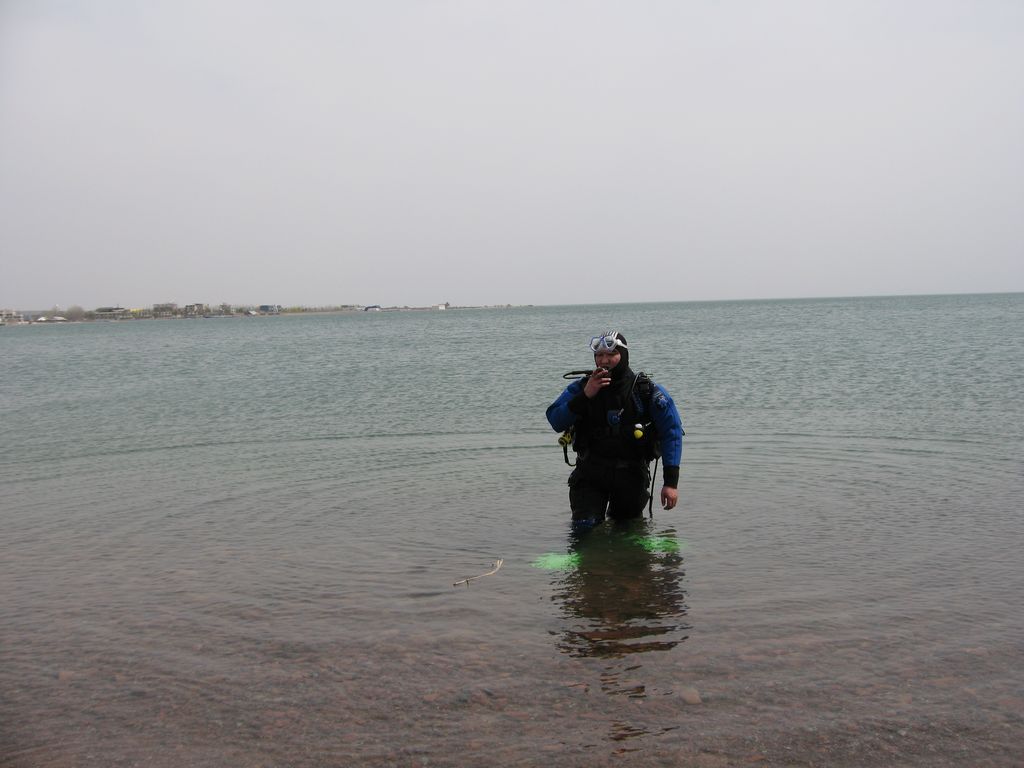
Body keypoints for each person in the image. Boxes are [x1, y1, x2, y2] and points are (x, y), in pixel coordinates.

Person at [546, 331, 684, 529]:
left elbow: (672, 433)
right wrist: (585, 396)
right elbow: (555, 420)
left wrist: (670, 483)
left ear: (624, 355)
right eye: (599, 355)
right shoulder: (581, 388)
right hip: (589, 474)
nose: (604, 360)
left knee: (627, 533)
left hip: (630, 475)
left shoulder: (645, 391)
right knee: (584, 528)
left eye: (611, 354)